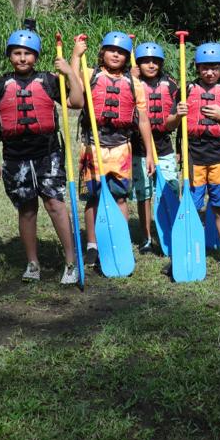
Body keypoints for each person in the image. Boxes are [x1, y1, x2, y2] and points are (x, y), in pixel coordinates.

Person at [0, 29, 83, 283]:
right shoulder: (1, 84)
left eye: (27, 53)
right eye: (17, 53)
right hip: (16, 157)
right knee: (26, 209)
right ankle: (32, 263)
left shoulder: (49, 80)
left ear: (35, 56)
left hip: (48, 154)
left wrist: (69, 72)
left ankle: (71, 262)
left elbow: (77, 101)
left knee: (55, 204)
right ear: (9, 56)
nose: (22, 58)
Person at [80, 31, 154, 268]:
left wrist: (150, 153)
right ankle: (92, 245)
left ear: (127, 57)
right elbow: (71, 85)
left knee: (120, 197)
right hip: (93, 146)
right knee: (93, 197)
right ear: (102, 53)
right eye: (112, 50)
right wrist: (75, 55)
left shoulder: (135, 84)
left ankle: (120, 240)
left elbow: (143, 120)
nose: (116, 55)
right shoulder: (90, 74)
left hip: (121, 147)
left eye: (122, 52)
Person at [177, 42, 220, 271]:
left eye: (215, 68)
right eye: (205, 68)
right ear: (198, 69)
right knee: (192, 206)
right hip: (194, 157)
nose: (210, 73)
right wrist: (178, 117)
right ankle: (188, 247)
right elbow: (173, 125)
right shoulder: (187, 90)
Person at [130, 41, 182, 253]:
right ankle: (146, 237)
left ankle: (170, 231)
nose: (151, 65)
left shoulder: (170, 85)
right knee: (144, 194)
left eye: (155, 62)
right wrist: (131, 78)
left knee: (169, 189)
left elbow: (174, 120)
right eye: (145, 61)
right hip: (139, 147)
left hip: (163, 146)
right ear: (138, 63)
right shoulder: (130, 82)